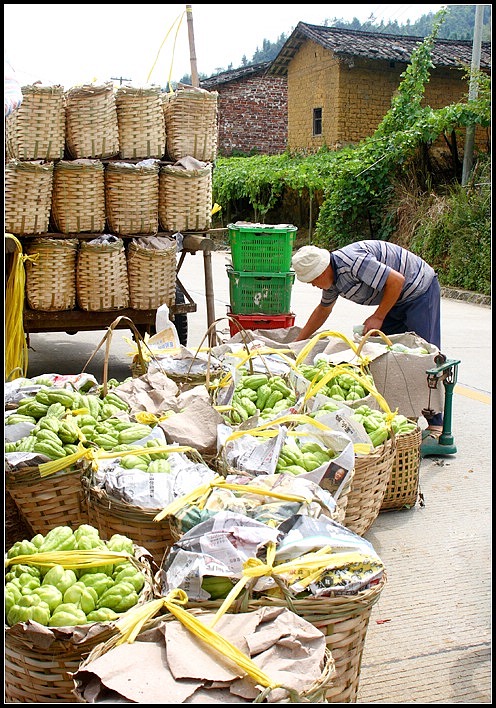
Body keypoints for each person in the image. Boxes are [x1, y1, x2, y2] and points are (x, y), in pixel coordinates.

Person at [291, 241, 443, 435]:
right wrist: (298, 344)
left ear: (321, 271)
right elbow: (323, 310)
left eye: (312, 280)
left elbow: (397, 281)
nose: (313, 285)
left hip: (418, 290)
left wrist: (378, 316)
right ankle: (400, 416)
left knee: (421, 358)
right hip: (395, 298)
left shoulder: (353, 262)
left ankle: (436, 425)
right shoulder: (332, 281)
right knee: (385, 357)